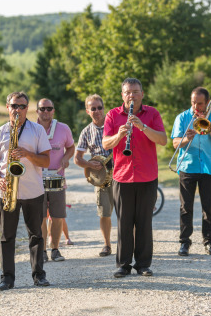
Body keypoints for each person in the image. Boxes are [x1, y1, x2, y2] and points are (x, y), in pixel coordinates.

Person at [102, 78, 167, 278]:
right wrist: (119, 136)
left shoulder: (152, 113)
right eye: (128, 92)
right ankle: (123, 264)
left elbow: (163, 140)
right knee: (124, 223)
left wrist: (143, 127)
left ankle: (143, 264)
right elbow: (106, 144)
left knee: (144, 223)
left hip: (147, 176)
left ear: (142, 93)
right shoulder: (112, 115)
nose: (132, 96)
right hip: (122, 177)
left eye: (136, 92)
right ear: (122, 95)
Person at [0, 91, 51, 291]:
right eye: (14, 106)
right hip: (7, 193)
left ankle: (39, 275)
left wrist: (27, 154)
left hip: (33, 191)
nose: (18, 110)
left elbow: (47, 161)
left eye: (22, 106)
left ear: (27, 109)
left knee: (36, 236)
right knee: (7, 237)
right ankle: (7, 278)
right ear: (8, 107)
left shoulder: (37, 130)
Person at [171, 87, 211, 257]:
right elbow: (175, 144)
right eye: (193, 102)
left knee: (208, 206)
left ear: (207, 102)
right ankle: (184, 242)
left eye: (200, 103)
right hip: (188, 166)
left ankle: (209, 241)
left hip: (208, 166)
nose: (196, 106)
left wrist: (208, 126)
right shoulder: (182, 117)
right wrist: (187, 138)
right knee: (186, 207)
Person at [74, 94, 115, 257]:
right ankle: (107, 245)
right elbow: (77, 158)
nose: (97, 111)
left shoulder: (114, 125)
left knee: (126, 212)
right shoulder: (86, 132)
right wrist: (90, 164)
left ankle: (130, 245)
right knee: (104, 213)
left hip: (120, 174)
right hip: (101, 179)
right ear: (87, 111)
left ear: (104, 109)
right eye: (93, 108)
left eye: (99, 107)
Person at [36, 98, 75, 263]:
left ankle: (55, 250)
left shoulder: (63, 128)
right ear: (37, 110)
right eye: (42, 108)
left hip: (58, 177)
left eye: (49, 109)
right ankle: (42, 250)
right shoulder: (31, 129)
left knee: (58, 216)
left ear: (53, 110)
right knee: (41, 217)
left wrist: (66, 157)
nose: (46, 112)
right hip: (37, 178)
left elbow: (71, 147)